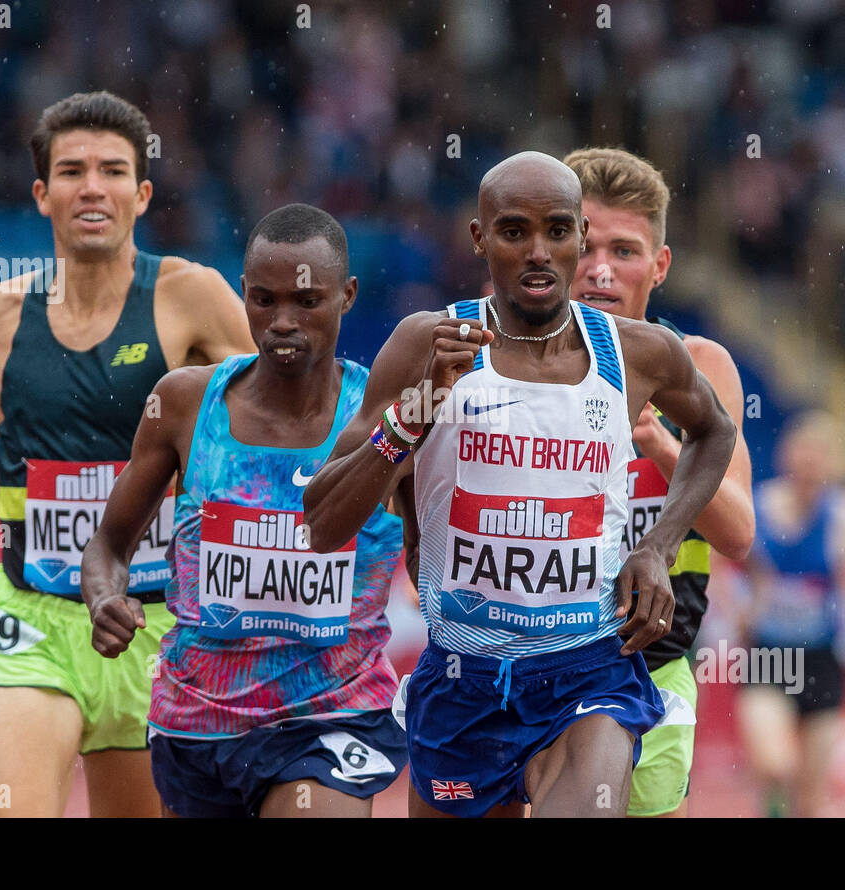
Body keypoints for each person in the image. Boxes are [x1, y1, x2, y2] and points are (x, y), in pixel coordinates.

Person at [304, 151, 737, 818]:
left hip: (586, 672)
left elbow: (716, 432)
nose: (539, 252)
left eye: (558, 231)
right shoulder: (428, 340)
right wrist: (416, 409)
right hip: (462, 677)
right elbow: (324, 520)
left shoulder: (636, 353)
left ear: (577, 239)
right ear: (479, 238)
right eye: (514, 232)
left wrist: (657, 544)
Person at [0, 91, 256, 817]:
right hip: (33, 617)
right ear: (42, 195)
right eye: (72, 171)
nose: (92, 186)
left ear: (141, 192)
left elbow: (272, 417)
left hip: (155, 625)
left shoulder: (191, 297)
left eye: (112, 170)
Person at [80, 203, 408, 818]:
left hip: (332, 714)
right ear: (243, 296)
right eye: (264, 300)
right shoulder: (183, 403)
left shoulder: (384, 420)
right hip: (196, 720)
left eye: (307, 303)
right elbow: (109, 544)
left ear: (348, 296)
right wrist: (105, 598)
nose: (282, 322)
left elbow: (434, 557)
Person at [565, 146, 755, 818]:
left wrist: (658, 439)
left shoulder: (700, 366)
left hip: (657, 661)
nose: (600, 270)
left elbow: (737, 534)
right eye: (584, 244)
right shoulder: (502, 368)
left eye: (625, 250)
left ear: (660, 265)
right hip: (531, 658)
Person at [736, 410, 845, 817]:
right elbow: (722, 573)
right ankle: (772, 805)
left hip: (823, 660)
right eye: (803, 452)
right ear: (787, 456)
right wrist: (740, 608)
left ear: (836, 463)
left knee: (811, 795)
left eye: (821, 455)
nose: (810, 463)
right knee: (775, 764)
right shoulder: (758, 506)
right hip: (769, 656)